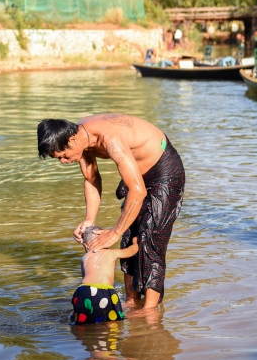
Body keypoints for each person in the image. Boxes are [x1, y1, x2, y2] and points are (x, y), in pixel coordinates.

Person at [37, 114, 185, 308]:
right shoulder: (81, 138)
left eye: (63, 156)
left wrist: (114, 233)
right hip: (137, 173)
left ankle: (149, 311)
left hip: (164, 169)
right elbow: (91, 179)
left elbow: (138, 191)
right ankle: (131, 301)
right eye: (58, 159)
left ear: (72, 140)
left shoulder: (109, 139)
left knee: (151, 236)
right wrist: (89, 219)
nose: (63, 162)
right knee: (129, 233)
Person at [71, 226, 138, 324]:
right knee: (113, 320)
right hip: (104, 291)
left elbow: (85, 278)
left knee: (84, 321)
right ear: (106, 240)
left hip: (82, 291)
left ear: (85, 245)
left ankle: (85, 335)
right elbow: (131, 251)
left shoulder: (85, 257)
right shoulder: (111, 253)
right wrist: (136, 243)